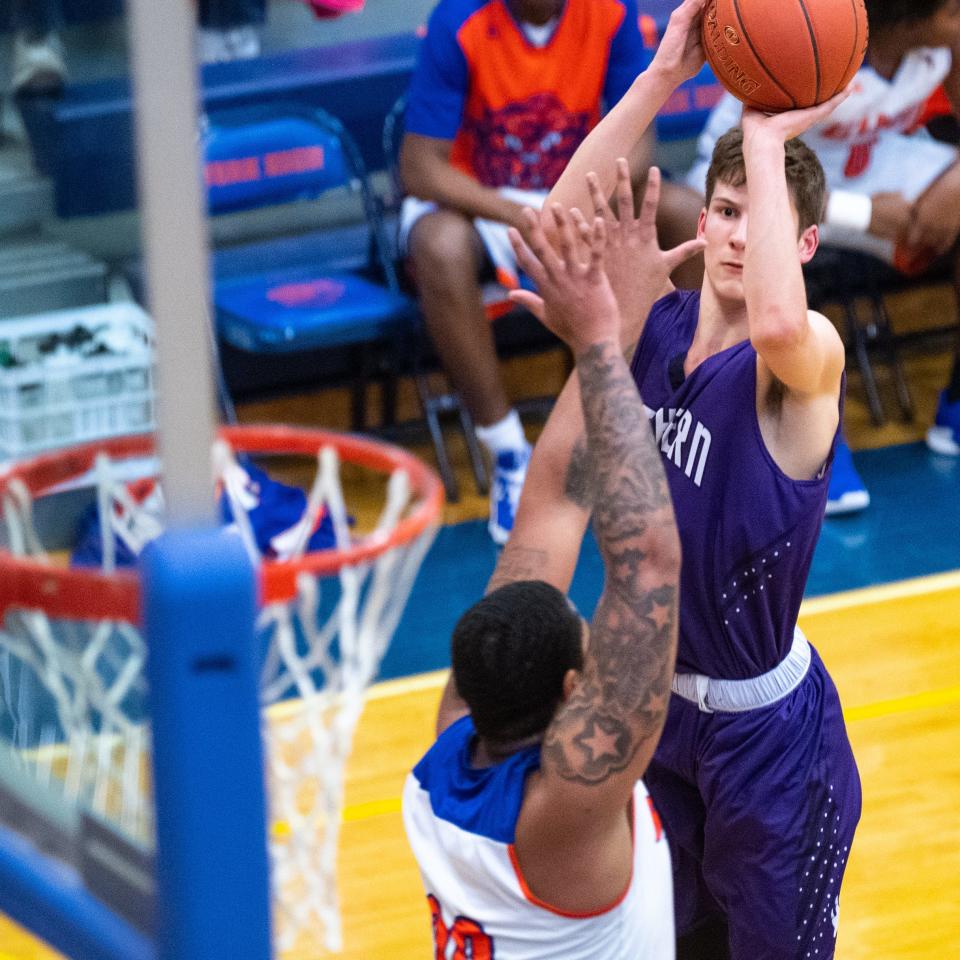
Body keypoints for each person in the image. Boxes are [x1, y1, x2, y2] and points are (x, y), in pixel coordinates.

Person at [495, 0, 862, 954]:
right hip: (648, 715)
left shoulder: (805, 365)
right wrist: (662, 76)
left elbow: (781, 325)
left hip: (770, 742)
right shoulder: (650, 323)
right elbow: (552, 231)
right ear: (700, 221)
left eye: (764, 221)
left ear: (804, 246)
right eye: (729, 212)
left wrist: (765, 131)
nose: (742, 236)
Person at [402, 194, 684, 956]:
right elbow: (647, 564)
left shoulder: (451, 746)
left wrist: (610, 329)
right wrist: (600, 333)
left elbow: (557, 497)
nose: (591, 627)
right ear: (570, 692)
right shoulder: (567, 815)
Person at [671, 0, 960, 514]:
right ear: (911, 17)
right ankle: (810, 433)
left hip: (869, 169)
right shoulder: (818, 53)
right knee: (773, 257)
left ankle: (956, 397)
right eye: (953, 14)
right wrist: (861, 213)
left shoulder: (937, 52)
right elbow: (747, 167)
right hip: (759, 176)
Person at [397, 0, 650, 544]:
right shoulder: (458, 20)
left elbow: (639, 136)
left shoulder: (612, 12)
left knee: (678, 211)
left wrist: (592, 203)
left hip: (577, 192)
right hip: (482, 203)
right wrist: (521, 215)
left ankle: (661, 426)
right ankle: (508, 449)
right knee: (438, 246)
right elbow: (420, 167)